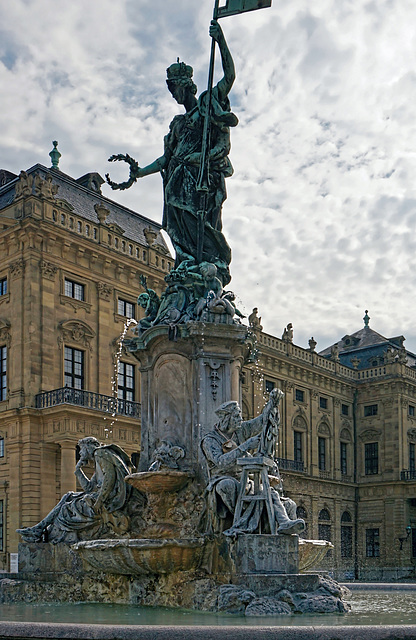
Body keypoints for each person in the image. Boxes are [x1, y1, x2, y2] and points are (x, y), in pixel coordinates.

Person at [108, 20, 237, 286]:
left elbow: (229, 76)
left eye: (176, 89)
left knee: (203, 224)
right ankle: (188, 260)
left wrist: (221, 40)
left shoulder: (206, 104)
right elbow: (167, 158)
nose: (174, 96)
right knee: (179, 227)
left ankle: (209, 262)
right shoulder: (177, 123)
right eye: (171, 91)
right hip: (177, 183)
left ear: (188, 86)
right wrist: (140, 172)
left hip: (202, 179)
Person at [201, 401, 305, 536]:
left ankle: (284, 522)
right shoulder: (210, 440)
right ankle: (241, 522)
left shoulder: (240, 431)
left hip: (245, 479)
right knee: (226, 485)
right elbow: (221, 462)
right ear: (226, 418)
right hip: (222, 478)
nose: (241, 420)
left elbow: (260, 422)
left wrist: (272, 404)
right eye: (237, 416)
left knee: (269, 492)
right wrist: (246, 445)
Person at [17, 437, 142, 543]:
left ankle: (43, 530)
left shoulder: (100, 454)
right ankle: (39, 527)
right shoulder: (98, 459)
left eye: (81, 449)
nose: (81, 453)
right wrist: (78, 470)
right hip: (101, 497)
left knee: (67, 508)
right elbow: (89, 488)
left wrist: (99, 501)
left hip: (110, 500)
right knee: (68, 495)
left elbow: (110, 478)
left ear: (88, 447)